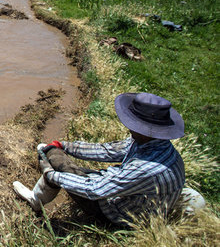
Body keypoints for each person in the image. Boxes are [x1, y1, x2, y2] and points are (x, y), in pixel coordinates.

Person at [13, 92, 191, 226]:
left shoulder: (145, 168)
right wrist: (65, 146)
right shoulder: (154, 144)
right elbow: (107, 151)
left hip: (122, 217)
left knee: (53, 159)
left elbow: (95, 189)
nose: (129, 127)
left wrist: (52, 175)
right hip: (139, 202)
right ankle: (50, 174)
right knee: (54, 152)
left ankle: (35, 201)